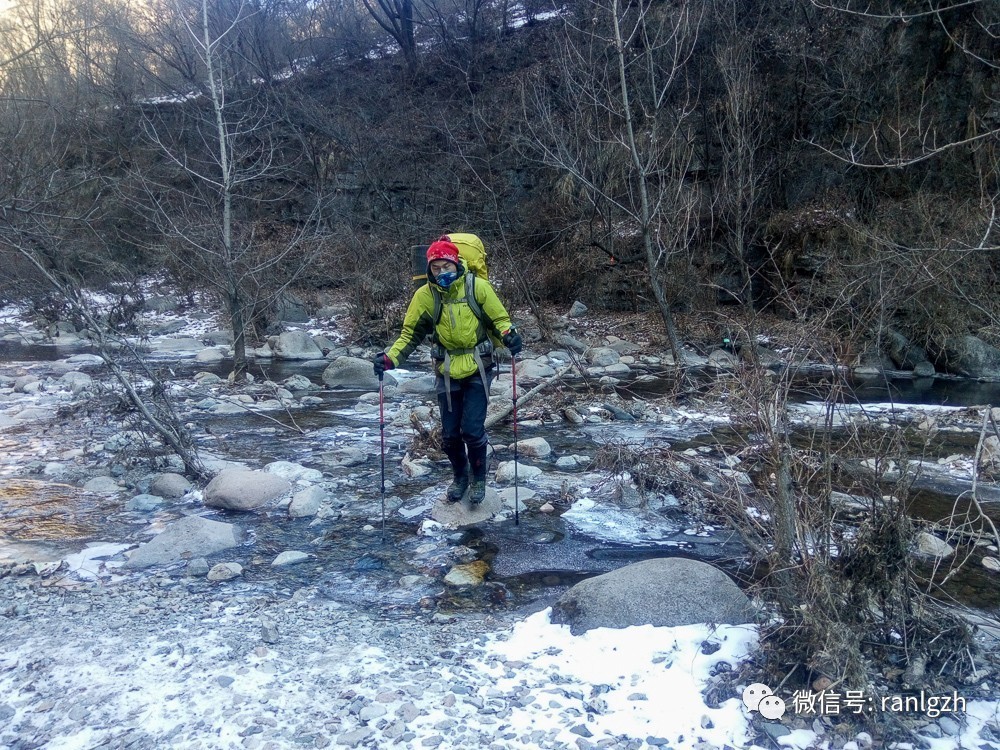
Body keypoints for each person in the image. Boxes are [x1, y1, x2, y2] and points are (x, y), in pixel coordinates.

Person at [373, 237, 522, 506]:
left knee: (473, 431)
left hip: (478, 366)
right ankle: (460, 477)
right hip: (447, 369)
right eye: (436, 268)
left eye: (446, 266)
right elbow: (411, 333)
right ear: (430, 269)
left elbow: (500, 320)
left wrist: (509, 336)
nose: (442, 273)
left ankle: (478, 480)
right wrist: (389, 359)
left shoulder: (478, 287)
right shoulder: (425, 296)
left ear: (456, 263)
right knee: (451, 435)